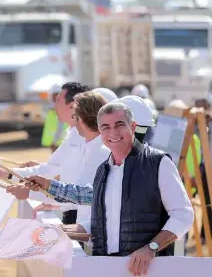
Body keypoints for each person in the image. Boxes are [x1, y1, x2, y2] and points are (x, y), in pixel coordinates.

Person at [11, 102, 194, 276]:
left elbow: (183, 215)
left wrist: (151, 248)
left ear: (133, 126)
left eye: (119, 125)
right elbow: (100, 226)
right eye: (105, 127)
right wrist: (58, 232)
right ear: (100, 132)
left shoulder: (158, 163)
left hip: (149, 270)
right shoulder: (103, 170)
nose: (113, 132)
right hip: (108, 268)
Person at [17, 91, 112, 247]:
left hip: (97, 243)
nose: (73, 123)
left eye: (74, 117)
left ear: (82, 119)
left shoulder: (100, 152)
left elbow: (84, 195)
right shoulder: (94, 149)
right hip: (89, 237)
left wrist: (35, 191)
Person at [0, 82, 90, 226]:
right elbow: (53, 171)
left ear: (72, 105)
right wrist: (6, 174)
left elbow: (79, 189)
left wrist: (8, 175)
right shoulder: (73, 135)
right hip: (75, 213)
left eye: (57, 100)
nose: (54, 106)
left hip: (82, 219)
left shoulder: (83, 138)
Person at [193, 97, 212, 243]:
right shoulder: (194, 124)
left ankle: (206, 233)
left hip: (209, 167)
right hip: (195, 167)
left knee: (208, 200)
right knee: (193, 199)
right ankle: (198, 232)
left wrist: (210, 118)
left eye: (202, 107)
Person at [41, 84, 68, 152]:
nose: (56, 97)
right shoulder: (52, 108)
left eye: (57, 95)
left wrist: (55, 141)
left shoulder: (58, 108)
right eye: (54, 95)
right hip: (58, 142)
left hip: (59, 142)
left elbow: (60, 125)